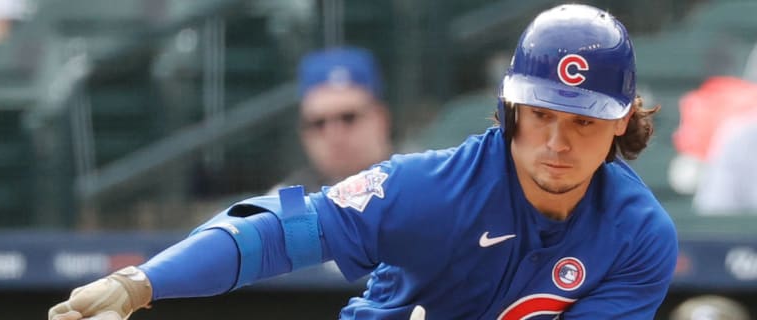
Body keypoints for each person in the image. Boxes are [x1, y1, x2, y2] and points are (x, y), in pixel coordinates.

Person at [48, 4, 678, 319]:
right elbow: (280, 228)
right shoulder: (432, 188)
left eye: (584, 121)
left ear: (622, 120)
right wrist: (141, 282)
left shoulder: (639, 235)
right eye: (541, 113)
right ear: (509, 108)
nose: (558, 142)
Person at [269, 46, 392, 194]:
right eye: (318, 123)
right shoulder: (283, 203)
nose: (334, 134)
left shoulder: (420, 182)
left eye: (348, 118)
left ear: (381, 119)